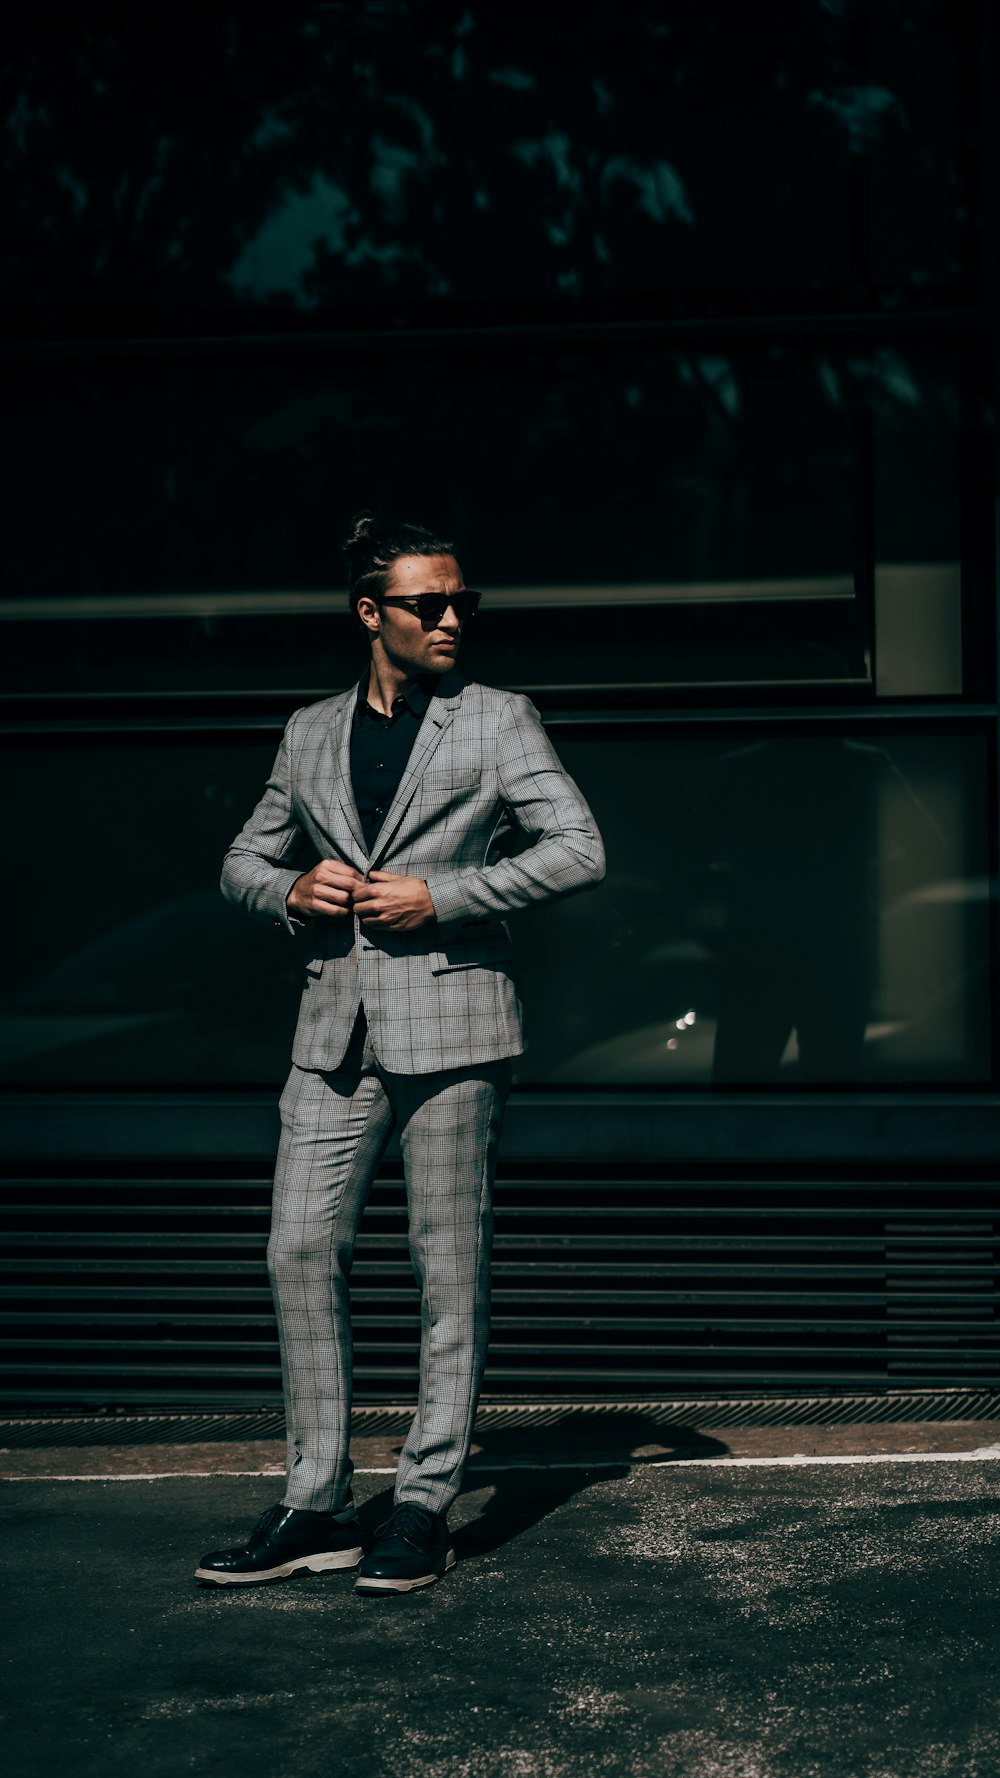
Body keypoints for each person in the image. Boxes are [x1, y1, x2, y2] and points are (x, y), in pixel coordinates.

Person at [196, 513, 605, 1594]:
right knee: (296, 1249)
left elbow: (577, 846)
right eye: (430, 602)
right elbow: (242, 855)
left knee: (446, 1270)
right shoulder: (309, 727)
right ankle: (317, 1499)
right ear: (371, 612)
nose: (453, 618)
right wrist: (286, 888)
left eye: (464, 600)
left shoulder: (496, 719)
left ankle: (422, 1502)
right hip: (332, 1032)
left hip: (455, 1024)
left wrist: (450, 893)